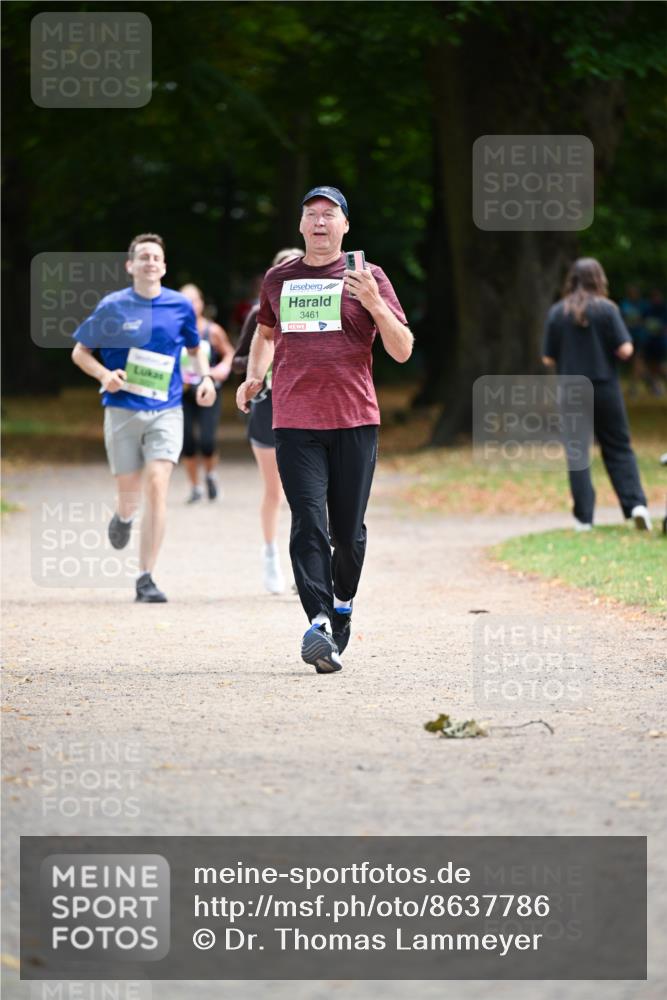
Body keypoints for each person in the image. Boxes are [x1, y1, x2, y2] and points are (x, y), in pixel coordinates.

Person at [236, 186, 413, 673]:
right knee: (308, 522)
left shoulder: (368, 276)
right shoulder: (279, 279)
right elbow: (267, 333)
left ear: (345, 226)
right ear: (300, 226)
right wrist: (255, 374)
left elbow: (402, 349)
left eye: (329, 215)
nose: (319, 222)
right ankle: (316, 620)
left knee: (348, 534)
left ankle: (342, 606)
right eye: (311, 215)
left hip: (355, 418)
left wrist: (376, 304)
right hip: (294, 420)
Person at [71, 233, 216, 602]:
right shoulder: (112, 306)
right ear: (130, 265)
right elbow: (81, 352)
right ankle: (123, 516)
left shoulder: (180, 306)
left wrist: (205, 379)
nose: (150, 262)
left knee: (157, 484)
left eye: (156, 257)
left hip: (166, 409)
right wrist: (105, 375)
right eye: (143, 257)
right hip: (121, 409)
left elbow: (196, 350)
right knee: (130, 495)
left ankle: (145, 577)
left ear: (163, 267)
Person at [542, 257, 652, 532]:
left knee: (578, 454)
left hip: (571, 389)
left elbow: (547, 358)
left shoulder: (558, 312)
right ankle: (635, 505)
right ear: (599, 279)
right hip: (604, 386)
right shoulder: (607, 309)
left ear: (572, 280)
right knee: (618, 447)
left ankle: (584, 519)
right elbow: (625, 349)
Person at [232, 248, 305, 594]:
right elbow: (238, 360)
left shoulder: (317, 308)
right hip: (267, 407)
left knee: (307, 494)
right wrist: (263, 362)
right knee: (275, 490)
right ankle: (270, 555)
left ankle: (305, 566)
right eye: (284, 268)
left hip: (306, 405)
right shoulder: (262, 312)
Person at [179, 284, 234, 502]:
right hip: (181, 393)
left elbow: (229, 353)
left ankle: (210, 475)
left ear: (201, 303)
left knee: (207, 441)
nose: (190, 306)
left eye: (194, 300)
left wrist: (220, 370)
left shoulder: (211, 330)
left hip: (208, 391)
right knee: (187, 443)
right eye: (185, 301)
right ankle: (195, 487)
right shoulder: (173, 328)